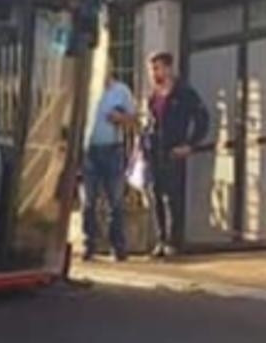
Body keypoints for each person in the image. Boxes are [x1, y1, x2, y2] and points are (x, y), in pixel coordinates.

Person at [144, 51, 210, 257]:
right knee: (156, 195)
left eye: (157, 68)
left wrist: (190, 144)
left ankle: (174, 241)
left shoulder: (184, 92)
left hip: (174, 150)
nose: (154, 73)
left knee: (173, 197)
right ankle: (161, 240)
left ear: (168, 68)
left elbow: (202, 118)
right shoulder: (153, 95)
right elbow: (152, 120)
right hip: (156, 151)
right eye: (152, 69)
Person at [83, 68, 136, 261]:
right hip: (89, 150)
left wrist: (120, 118)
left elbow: (133, 120)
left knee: (116, 201)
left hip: (113, 149)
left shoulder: (122, 91)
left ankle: (118, 246)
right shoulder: (87, 91)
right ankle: (89, 245)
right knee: (89, 201)